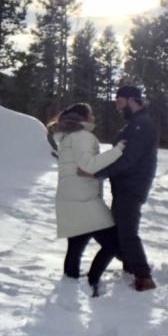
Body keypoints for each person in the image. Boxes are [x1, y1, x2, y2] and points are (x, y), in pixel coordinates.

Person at [82, 85, 157, 292]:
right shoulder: (133, 124)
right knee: (120, 231)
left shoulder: (142, 125)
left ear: (132, 100)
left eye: (119, 102)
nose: (117, 106)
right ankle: (131, 268)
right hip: (124, 186)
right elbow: (118, 154)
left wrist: (99, 173)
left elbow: (129, 159)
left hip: (132, 187)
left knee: (126, 233)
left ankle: (144, 277)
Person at [48, 103, 125, 297]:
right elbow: (88, 165)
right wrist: (117, 151)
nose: (94, 117)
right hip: (84, 198)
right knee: (113, 244)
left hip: (68, 198)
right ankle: (93, 280)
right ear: (83, 118)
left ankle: (69, 284)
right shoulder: (82, 136)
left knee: (76, 244)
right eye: (91, 114)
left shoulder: (66, 138)